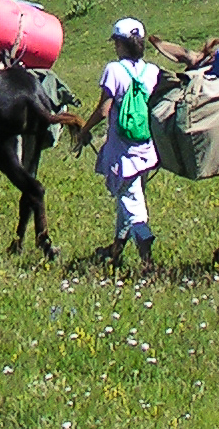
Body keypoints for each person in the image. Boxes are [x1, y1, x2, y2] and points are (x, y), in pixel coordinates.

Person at [78, 17, 162, 268]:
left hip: (122, 149)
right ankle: (115, 250)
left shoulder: (114, 70)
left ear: (120, 44)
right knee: (128, 199)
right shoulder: (153, 72)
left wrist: (85, 129)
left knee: (132, 205)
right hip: (146, 147)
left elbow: (104, 109)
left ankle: (146, 251)